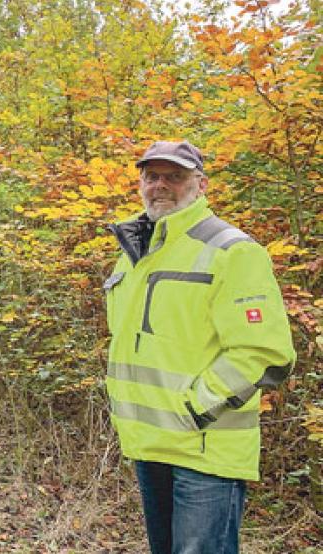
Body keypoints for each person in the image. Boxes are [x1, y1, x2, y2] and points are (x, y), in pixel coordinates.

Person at [104, 140, 296, 554]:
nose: (161, 186)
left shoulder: (232, 250)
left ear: (201, 184)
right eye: (152, 176)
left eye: (175, 177)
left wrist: (193, 408)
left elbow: (265, 353)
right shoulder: (137, 250)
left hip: (204, 448)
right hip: (149, 443)